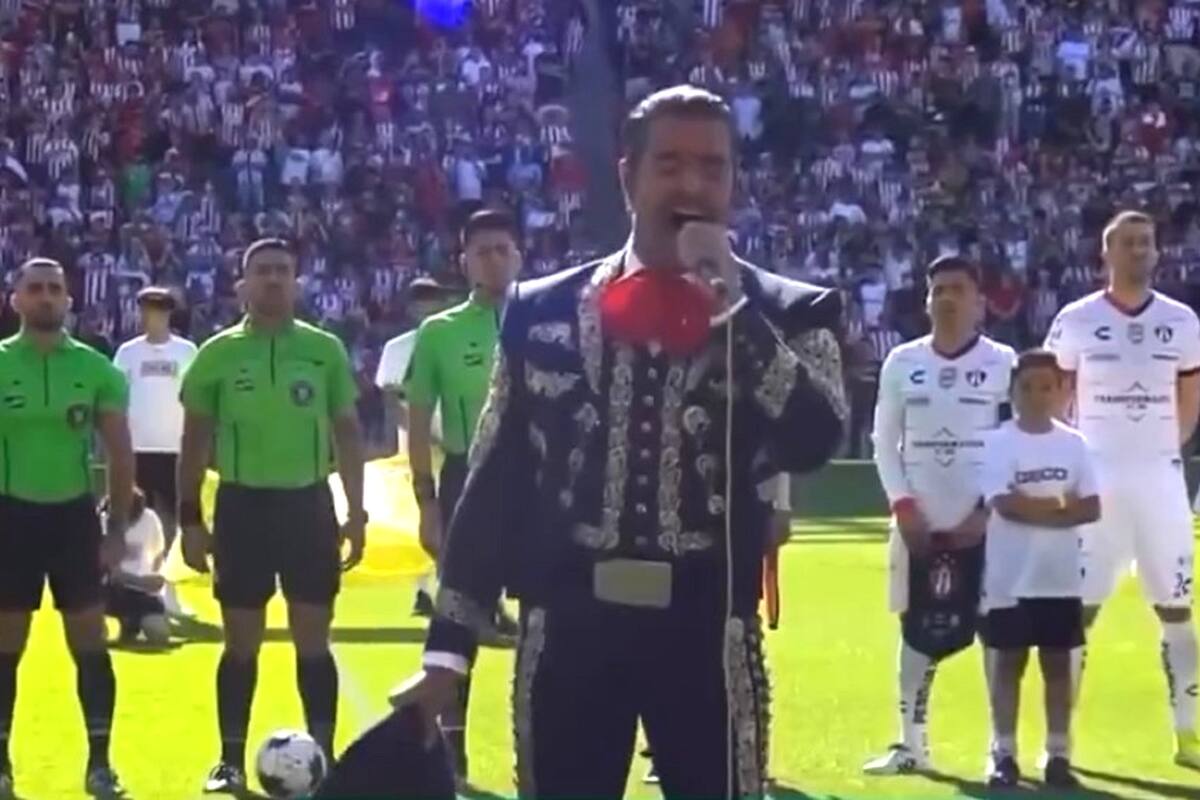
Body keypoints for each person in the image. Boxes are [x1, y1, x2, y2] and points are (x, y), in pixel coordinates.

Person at [391, 85, 845, 799]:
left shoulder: (791, 311)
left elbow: (816, 439)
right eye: (670, 164)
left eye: (712, 167)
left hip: (708, 635)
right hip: (570, 628)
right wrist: (447, 648)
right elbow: (495, 480)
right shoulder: (542, 311)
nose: (692, 185)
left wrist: (732, 308)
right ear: (628, 175)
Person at [176, 238, 367, 795]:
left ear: (298, 281)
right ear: (242, 284)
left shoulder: (324, 350)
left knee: (313, 637)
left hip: (307, 507)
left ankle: (323, 757)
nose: (274, 280)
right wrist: (190, 516)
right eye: (262, 271)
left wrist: (356, 514)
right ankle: (229, 761)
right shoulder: (216, 354)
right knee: (240, 641)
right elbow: (194, 442)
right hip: (241, 509)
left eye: (283, 271)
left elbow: (348, 432)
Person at [1044, 210, 1200, 768]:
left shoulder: (1182, 323)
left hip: (1160, 484)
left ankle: (1189, 734)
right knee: (1076, 613)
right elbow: (1053, 397)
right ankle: (1059, 745)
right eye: (1127, 243)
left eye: (1147, 243)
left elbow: (1189, 402)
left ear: (1157, 252)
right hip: (1095, 485)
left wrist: (1161, 453)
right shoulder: (1076, 320)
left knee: (1178, 609)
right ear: (1105, 253)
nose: (1139, 251)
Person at [865, 255, 1017, 775]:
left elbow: (1018, 443)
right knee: (915, 631)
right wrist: (904, 507)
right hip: (918, 523)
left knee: (995, 632)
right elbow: (883, 441)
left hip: (987, 524)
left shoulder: (1004, 363)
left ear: (979, 301)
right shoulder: (902, 362)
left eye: (958, 289)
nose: (946, 298)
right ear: (926, 301)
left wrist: (988, 510)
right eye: (937, 291)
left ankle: (1002, 749)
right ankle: (912, 745)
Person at [0, 258, 134, 798]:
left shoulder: (97, 369)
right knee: (7, 646)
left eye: (56, 288)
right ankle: (2, 765)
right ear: (16, 300)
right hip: (10, 519)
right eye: (36, 288)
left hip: (74, 519)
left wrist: (117, 527)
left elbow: (120, 454)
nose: (47, 297)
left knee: (90, 644)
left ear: (69, 300)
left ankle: (100, 764)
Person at [402, 209, 523, 786]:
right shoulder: (440, 333)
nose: (493, 259)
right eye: (482, 251)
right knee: (460, 616)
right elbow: (417, 416)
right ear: (464, 261)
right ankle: (452, 756)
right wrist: (427, 502)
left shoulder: (549, 316)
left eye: (503, 249)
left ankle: (549, 736)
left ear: (518, 254)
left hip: (542, 484)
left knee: (557, 618)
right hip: (467, 481)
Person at [979, 350, 1100, 789]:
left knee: (1057, 667)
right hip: (1009, 579)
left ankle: (1058, 754)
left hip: (1060, 576)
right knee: (1007, 663)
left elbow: (1091, 506)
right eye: (1027, 387)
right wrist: (1056, 505)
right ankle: (1003, 752)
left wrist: (1039, 506)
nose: (1036, 395)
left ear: (1060, 391)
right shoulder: (996, 442)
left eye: (1046, 387)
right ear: (1013, 392)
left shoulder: (1075, 444)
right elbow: (1004, 504)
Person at [374, 276, 464, 617]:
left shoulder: (451, 339)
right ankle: (425, 589)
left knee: (456, 519)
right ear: (411, 307)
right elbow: (390, 398)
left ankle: (451, 588)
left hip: (455, 440)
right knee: (418, 518)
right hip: (415, 446)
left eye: (435, 299)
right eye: (424, 300)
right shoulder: (399, 348)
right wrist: (418, 433)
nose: (431, 305)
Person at [113, 287, 197, 556]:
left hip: (175, 447)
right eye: (148, 311)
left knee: (171, 513)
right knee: (136, 511)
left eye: (159, 311)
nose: (153, 317)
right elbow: (116, 397)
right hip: (137, 446)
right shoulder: (128, 353)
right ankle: (134, 567)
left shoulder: (186, 351)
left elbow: (194, 397)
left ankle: (167, 567)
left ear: (169, 314)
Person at [102, 487, 170, 645]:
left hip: (142, 594)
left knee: (159, 634)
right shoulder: (102, 519)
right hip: (109, 592)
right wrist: (139, 582)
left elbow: (158, 557)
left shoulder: (150, 519)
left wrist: (147, 580)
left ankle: (134, 623)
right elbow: (109, 572)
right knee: (95, 633)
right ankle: (117, 623)